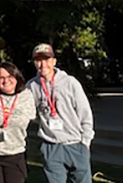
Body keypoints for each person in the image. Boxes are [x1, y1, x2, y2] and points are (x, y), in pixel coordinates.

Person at [26, 43, 94, 183]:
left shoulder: (70, 83)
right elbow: (31, 113)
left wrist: (85, 142)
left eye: (46, 59)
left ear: (54, 61)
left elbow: (85, 113)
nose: (43, 64)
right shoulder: (32, 86)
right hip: (51, 146)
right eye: (38, 60)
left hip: (75, 144)